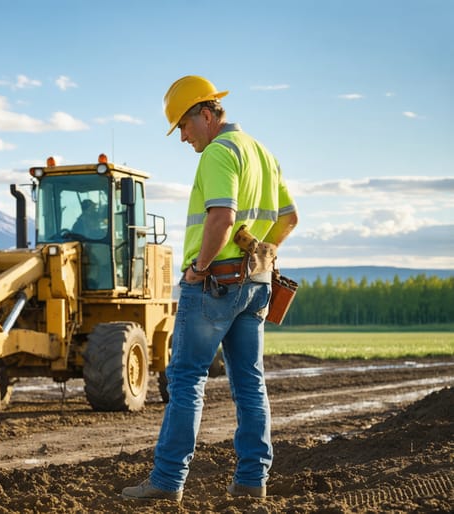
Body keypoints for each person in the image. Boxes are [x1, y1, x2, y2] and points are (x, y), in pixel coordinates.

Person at [121, 75, 298, 502]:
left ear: (206, 114)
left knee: (185, 380)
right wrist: (263, 249)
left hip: (215, 285)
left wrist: (199, 269)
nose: (182, 137)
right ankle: (252, 482)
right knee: (250, 383)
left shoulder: (219, 153)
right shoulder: (263, 154)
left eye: (183, 125)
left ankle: (166, 482)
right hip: (254, 286)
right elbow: (289, 219)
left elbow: (221, 217)